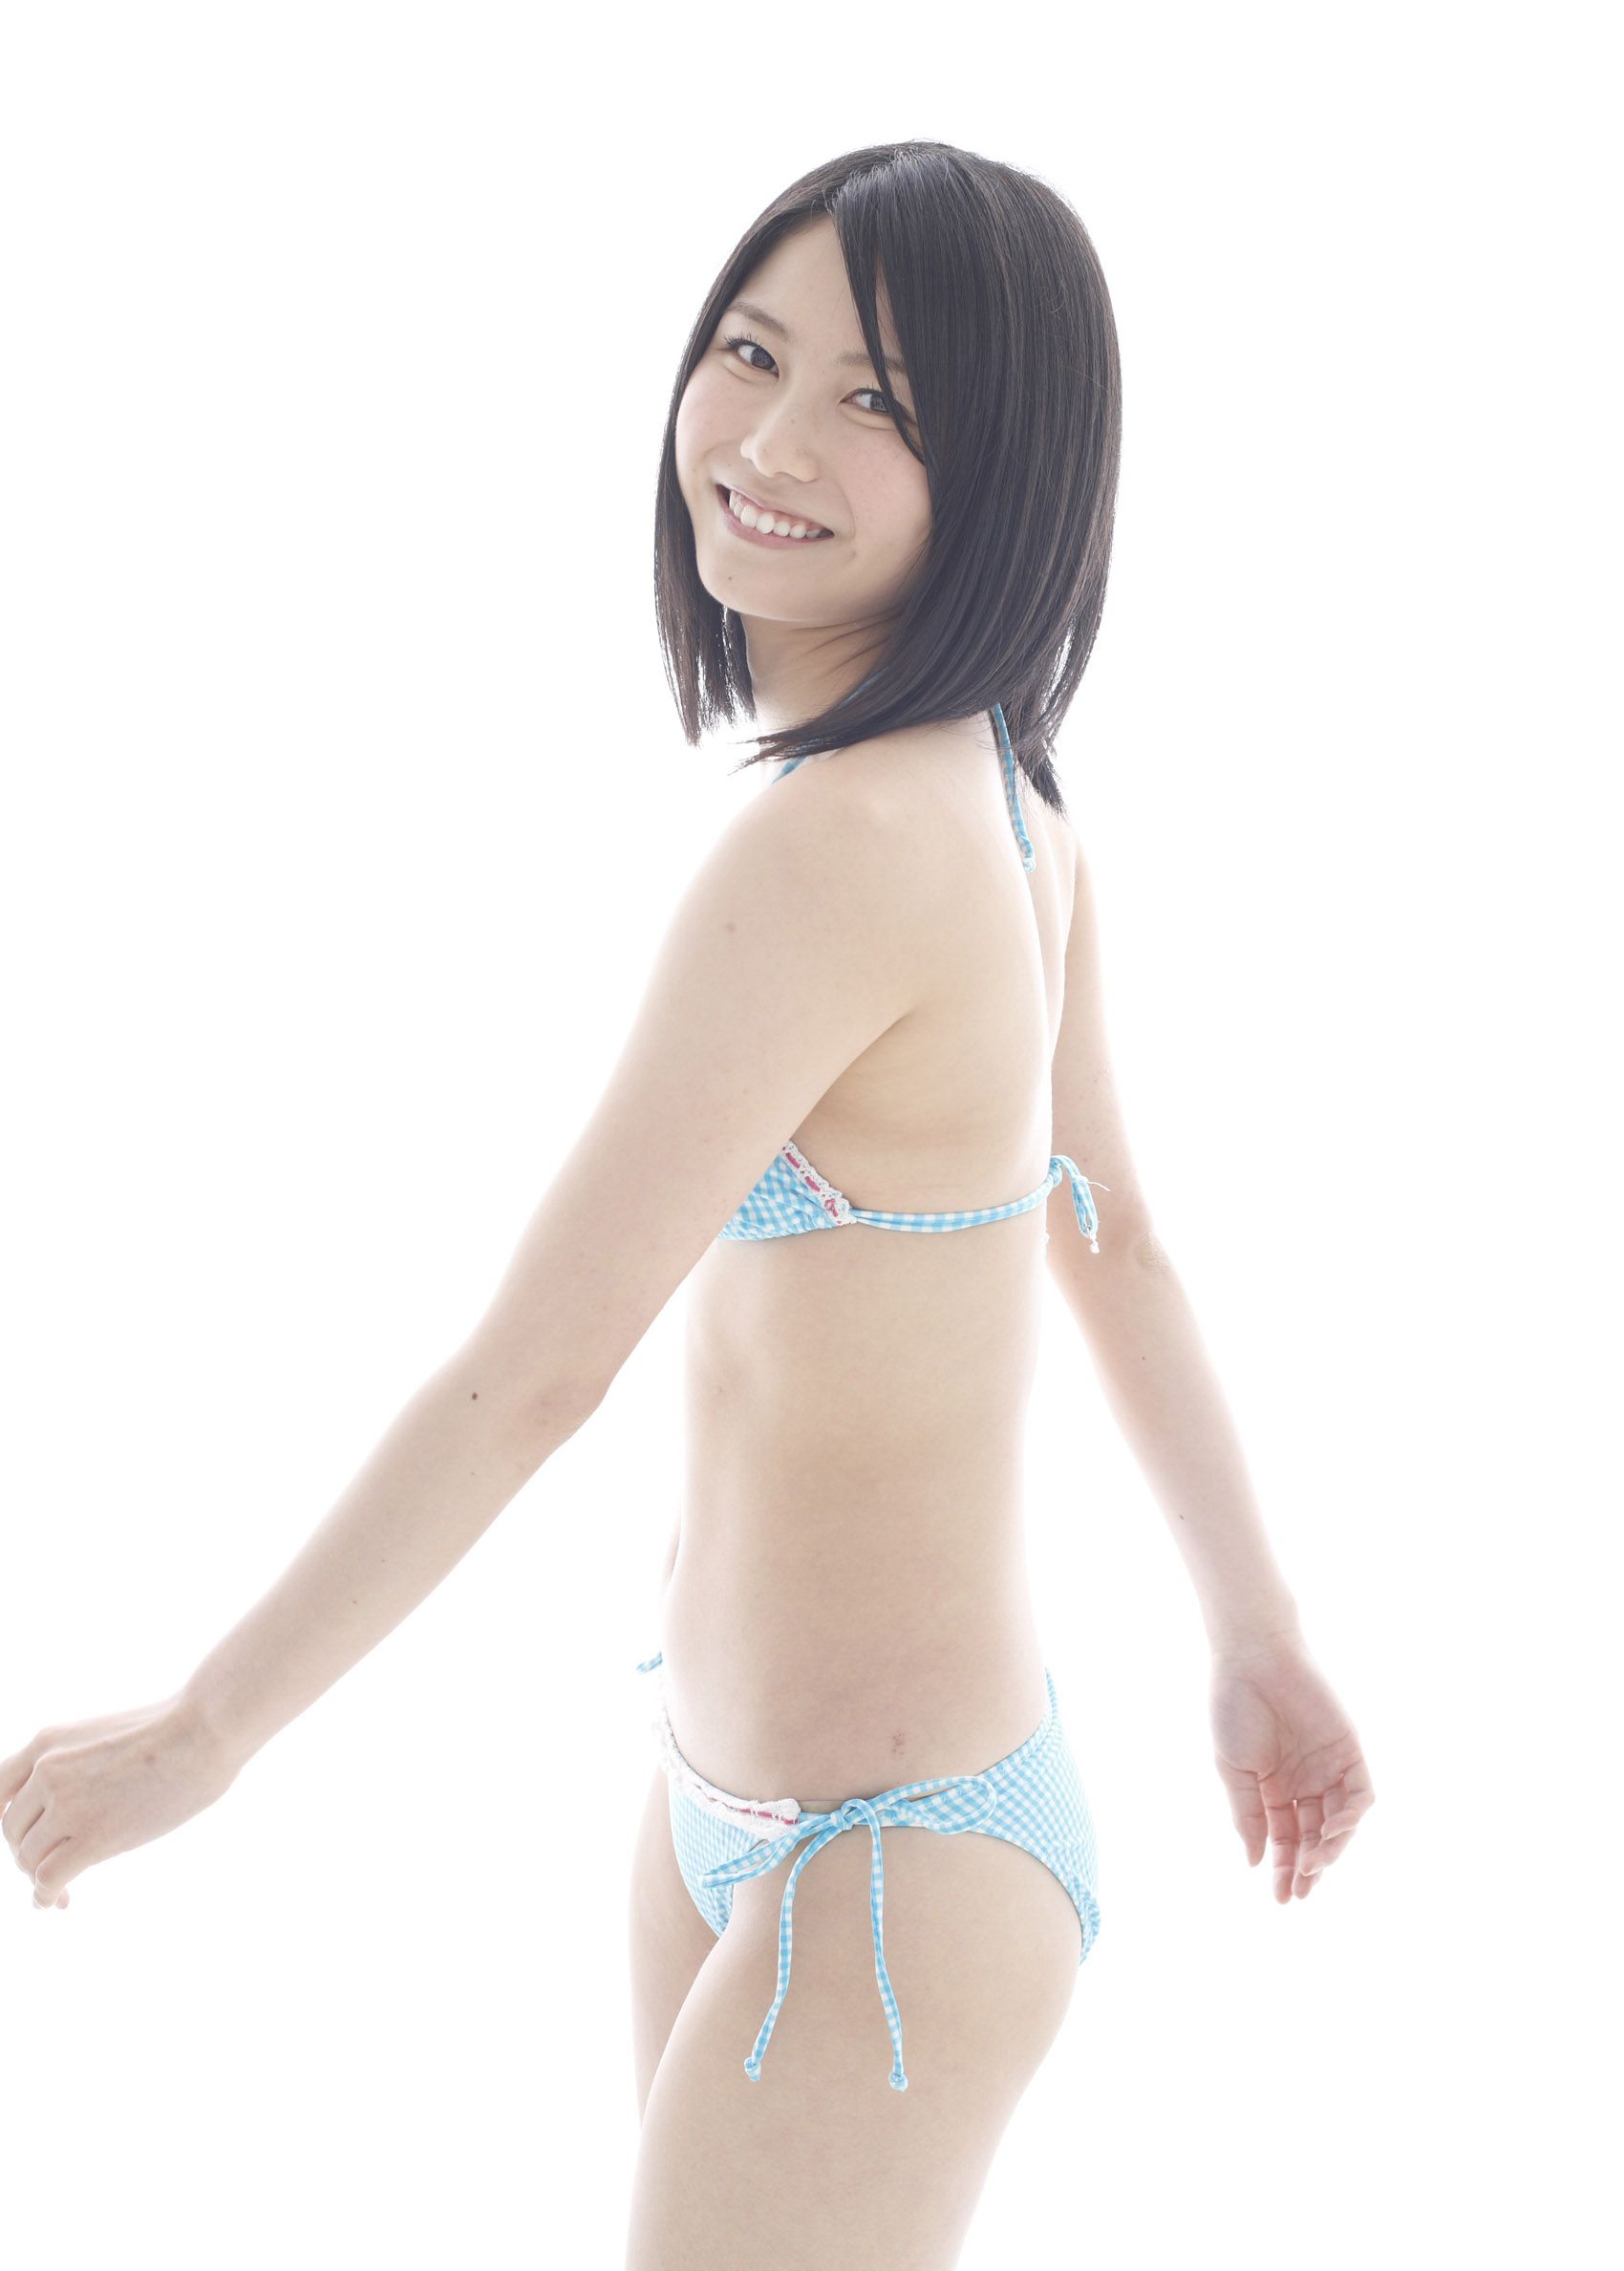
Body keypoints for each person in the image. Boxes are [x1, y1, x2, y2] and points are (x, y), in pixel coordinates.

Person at [1, 139, 1374, 2267]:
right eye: (750, 351)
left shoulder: (845, 846)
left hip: (891, 1859)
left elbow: (538, 1369)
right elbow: (1113, 1230)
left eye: (875, 399)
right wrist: (1257, 1638)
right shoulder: (1003, 792)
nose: (770, 436)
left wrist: (207, 1731)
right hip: (749, 1808)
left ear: (1006, 471)